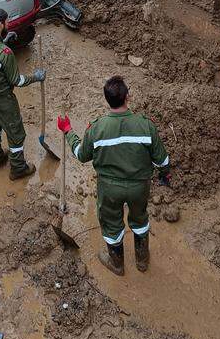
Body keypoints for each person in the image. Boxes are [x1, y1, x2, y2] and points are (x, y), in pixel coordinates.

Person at [57, 75, 170, 276]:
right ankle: (142, 260)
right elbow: (162, 161)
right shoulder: (145, 125)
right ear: (128, 97)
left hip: (109, 189)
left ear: (107, 100)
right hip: (139, 186)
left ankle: (117, 264)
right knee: (140, 218)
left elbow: (81, 155)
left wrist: (68, 131)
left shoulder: (97, 128)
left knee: (111, 224)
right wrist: (164, 176)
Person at [0, 8, 45, 181]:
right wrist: (36, 77)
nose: (8, 24)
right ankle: (18, 168)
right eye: (6, 22)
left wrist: (3, 41)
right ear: (0, 24)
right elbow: (17, 81)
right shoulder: (6, 54)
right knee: (16, 133)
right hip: (4, 98)